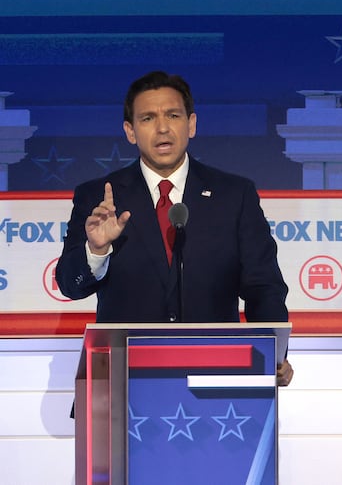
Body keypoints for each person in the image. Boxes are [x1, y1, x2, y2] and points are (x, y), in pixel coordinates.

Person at [56, 70, 293, 385]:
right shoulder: (99, 197)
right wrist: (96, 250)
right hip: (125, 382)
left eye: (173, 115)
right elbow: (71, 285)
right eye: (148, 118)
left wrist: (273, 353)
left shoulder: (234, 195)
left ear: (191, 124)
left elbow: (263, 287)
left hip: (218, 380)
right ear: (130, 131)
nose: (163, 128)